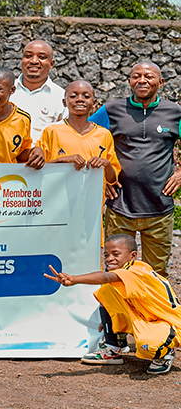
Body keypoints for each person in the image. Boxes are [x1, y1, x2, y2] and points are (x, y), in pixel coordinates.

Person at [90, 61, 181, 279]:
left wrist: (180, 173)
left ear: (161, 82)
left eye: (148, 76)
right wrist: (101, 176)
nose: (142, 80)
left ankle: (152, 303)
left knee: (156, 274)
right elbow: (86, 136)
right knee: (117, 271)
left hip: (159, 207)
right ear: (130, 81)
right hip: (120, 206)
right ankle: (119, 304)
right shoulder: (111, 110)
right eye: (136, 76)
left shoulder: (175, 112)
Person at [45, 234, 179, 375]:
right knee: (107, 290)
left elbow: (106, 276)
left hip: (170, 324)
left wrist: (74, 279)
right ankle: (113, 347)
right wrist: (111, 319)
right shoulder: (126, 274)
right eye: (106, 255)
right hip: (147, 319)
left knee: (147, 346)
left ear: (133, 256)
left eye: (116, 254)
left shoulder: (137, 269)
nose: (109, 259)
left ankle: (165, 354)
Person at [38, 80, 119, 185]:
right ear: (64, 102)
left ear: (94, 103)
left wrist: (106, 164)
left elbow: (112, 179)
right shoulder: (51, 131)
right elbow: (38, 170)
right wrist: (62, 161)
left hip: (92, 195)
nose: (80, 99)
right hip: (58, 194)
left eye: (86, 96)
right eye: (73, 96)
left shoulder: (104, 134)